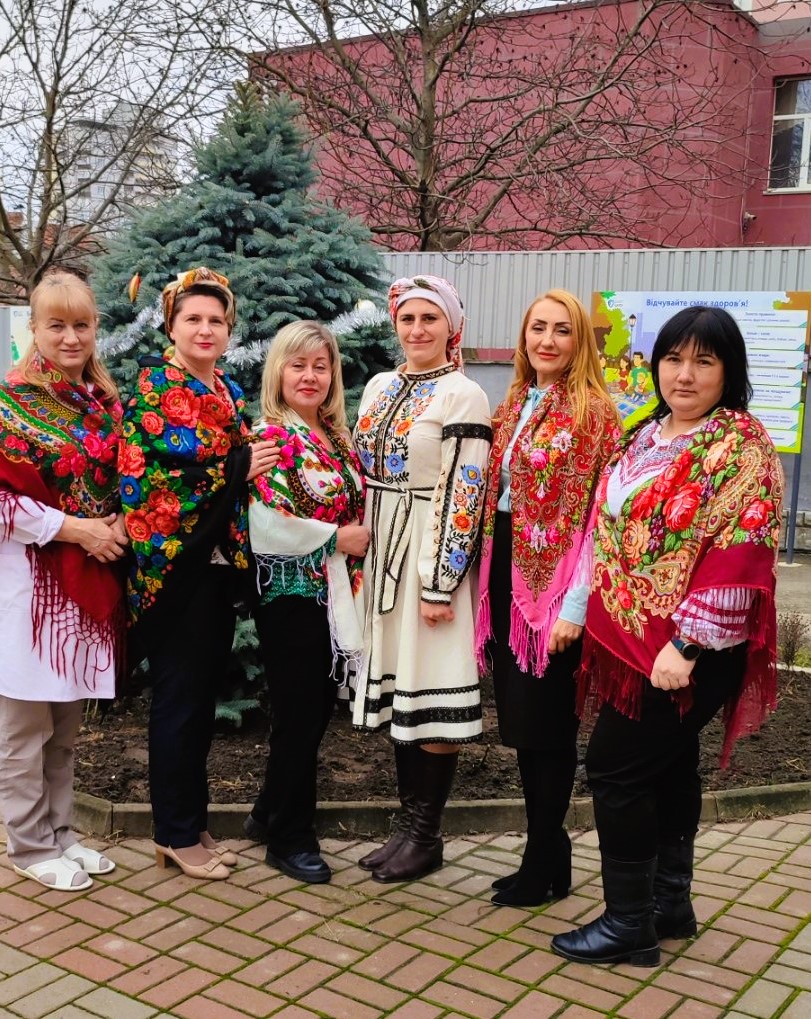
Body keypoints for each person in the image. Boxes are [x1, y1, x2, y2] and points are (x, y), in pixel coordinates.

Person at [551, 306, 783, 967]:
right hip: (632, 639)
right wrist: (577, 606)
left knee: (614, 769)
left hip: (688, 648)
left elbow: (740, 552)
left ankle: (628, 923)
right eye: (673, 359)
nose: (684, 374)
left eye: (703, 361)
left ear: (728, 372)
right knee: (668, 763)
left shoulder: (741, 447)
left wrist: (685, 646)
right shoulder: (643, 435)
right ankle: (668, 904)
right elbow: (602, 531)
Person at [0, 272, 127, 891]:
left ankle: (62, 833)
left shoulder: (103, 402)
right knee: (24, 728)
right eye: (56, 325)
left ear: (94, 328)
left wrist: (115, 525)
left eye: (81, 324)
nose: (70, 337)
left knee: (64, 726)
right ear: (33, 328)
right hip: (32, 587)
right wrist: (76, 529)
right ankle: (28, 845)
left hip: (84, 583)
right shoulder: (8, 403)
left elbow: (124, 479)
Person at [119, 267, 280, 880]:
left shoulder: (227, 389)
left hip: (216, 569)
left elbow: (232, 463)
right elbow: (155, 480)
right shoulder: (155, 388)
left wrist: (244, 465)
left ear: (230, 329)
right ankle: (174, 833)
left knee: (198, 700)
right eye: (193, 319)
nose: (205, 329)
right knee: (179, 703)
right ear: (171, 326)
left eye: (217, 320)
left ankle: (192, 823)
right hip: (176, 571)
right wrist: (240, 465)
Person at [475, 289, 620, 907]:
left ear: (579, 340)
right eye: (538, 328)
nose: (548, 341)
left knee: (549, 726)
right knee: (523, 725)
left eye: (562, 330)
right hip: (506, 573)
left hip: (556, 587)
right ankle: (547, 854)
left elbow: (602, 520)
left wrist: (575, 606)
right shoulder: (512, 404)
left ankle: (544, 859)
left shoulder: (596, 414)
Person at [352, 274, 492, 883]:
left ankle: (426, 835)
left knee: (432, 689)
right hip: (381, 545)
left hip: (428, 553)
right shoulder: (379, 386)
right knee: (403, 693)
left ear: (450, 327)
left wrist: (439, 582)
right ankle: (406, 828)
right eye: (407, 319)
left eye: (429, 319)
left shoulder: (464, 395)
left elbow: (465, 491)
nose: (417, 330)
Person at [244, 321, 369, 883]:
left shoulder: (336, 436)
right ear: (279, 371)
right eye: (298, 365)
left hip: (333, 593)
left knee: (314, 712)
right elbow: (265, 522)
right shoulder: (270, 437)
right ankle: (290, 838)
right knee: (299, 715)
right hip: (290, 594)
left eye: (321, 366)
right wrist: (334, 537)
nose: (310, 376)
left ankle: (267, 812)